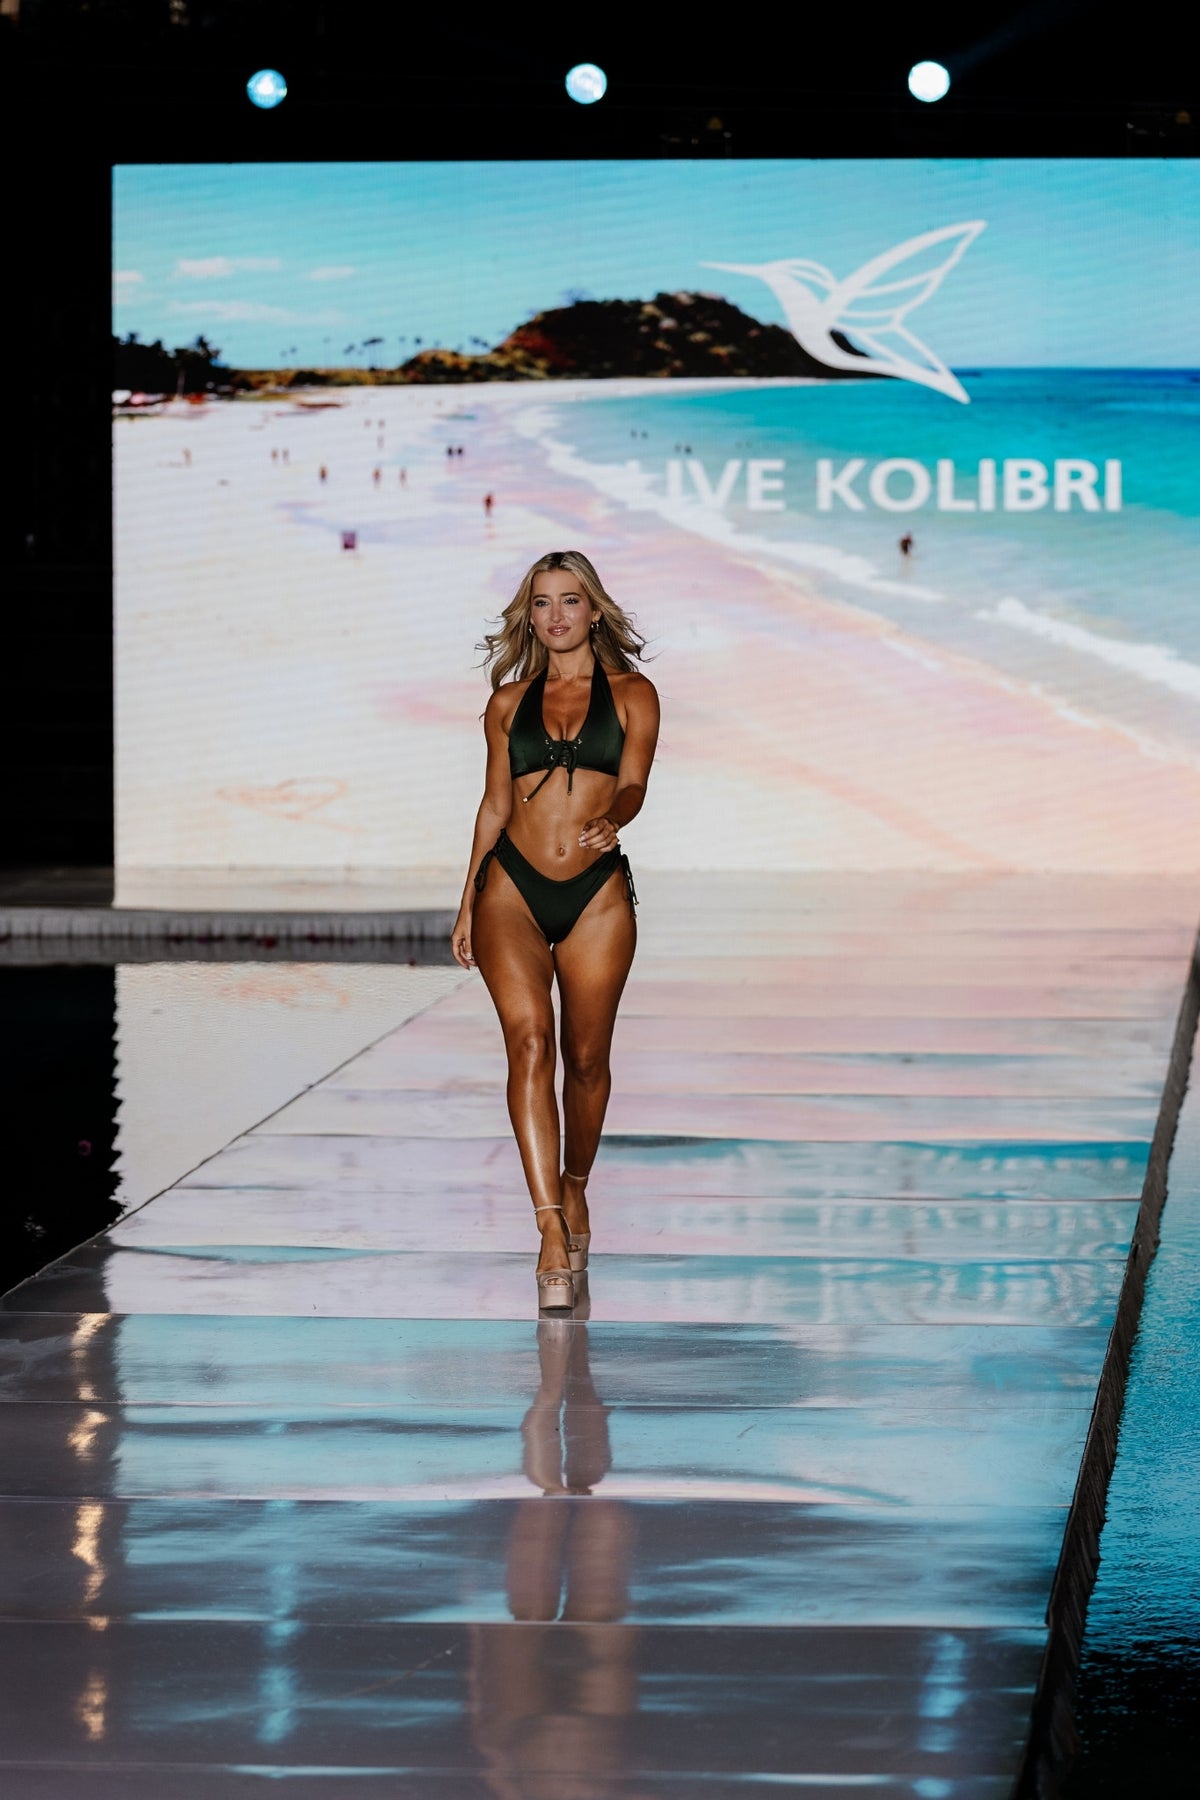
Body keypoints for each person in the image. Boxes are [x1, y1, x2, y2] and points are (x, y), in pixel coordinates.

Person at [452, 551, 659, 1310]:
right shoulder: (506, 704)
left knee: (587, 1060)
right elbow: (493, 805)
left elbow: (634, 781)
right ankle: (546, 1228)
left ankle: (574, 1188)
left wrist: (615, 819)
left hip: (598, 894)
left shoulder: (636, 694)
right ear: (529, 615)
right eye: (542, 604)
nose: (557, 616)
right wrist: (466, 899)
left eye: (570, 602)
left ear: (594, 610)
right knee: (529, 1043)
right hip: (511, 886)